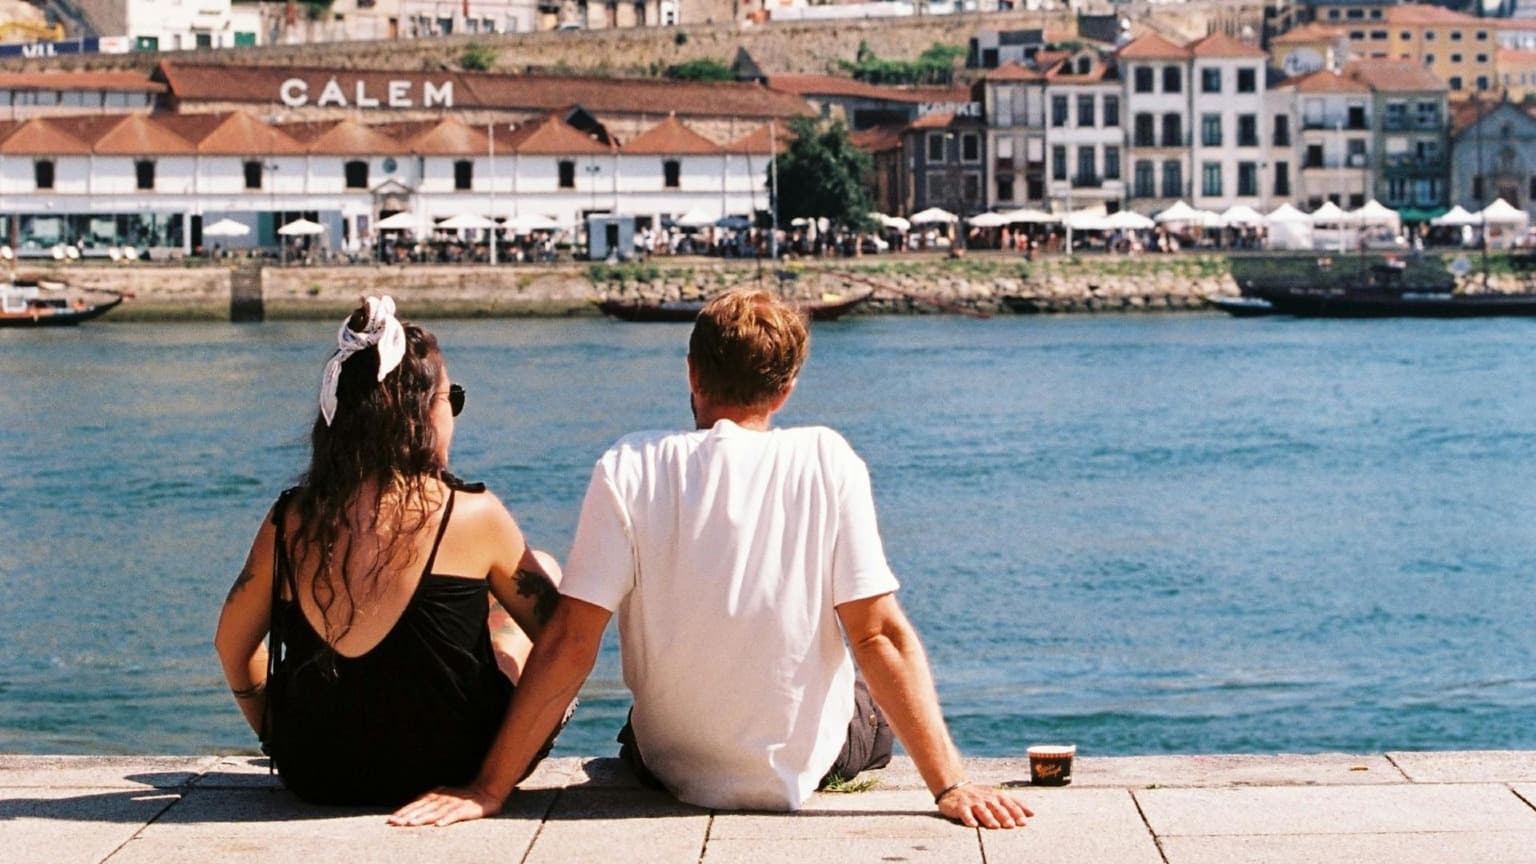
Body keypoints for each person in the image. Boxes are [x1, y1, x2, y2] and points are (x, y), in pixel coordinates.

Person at [390, 289, 1032, 830]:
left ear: (693, 373)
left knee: (638, 720)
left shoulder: (628, 465)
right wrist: (949, 787)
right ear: (786, 390)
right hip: (808, 763)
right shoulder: (826, 459)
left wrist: (488, 788)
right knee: (862, 696)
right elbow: (877, 632)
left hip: (670, 763)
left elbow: (570, 641)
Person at [215, 296, 565, 807]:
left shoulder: (291, 519)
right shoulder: (472, 514)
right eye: (452, 399)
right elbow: (563, 643)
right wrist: (487, 784)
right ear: (420, 412)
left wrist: (276, 733)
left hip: (315, 772)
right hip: (457, 768)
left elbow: (231, 646)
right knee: (538, 588)